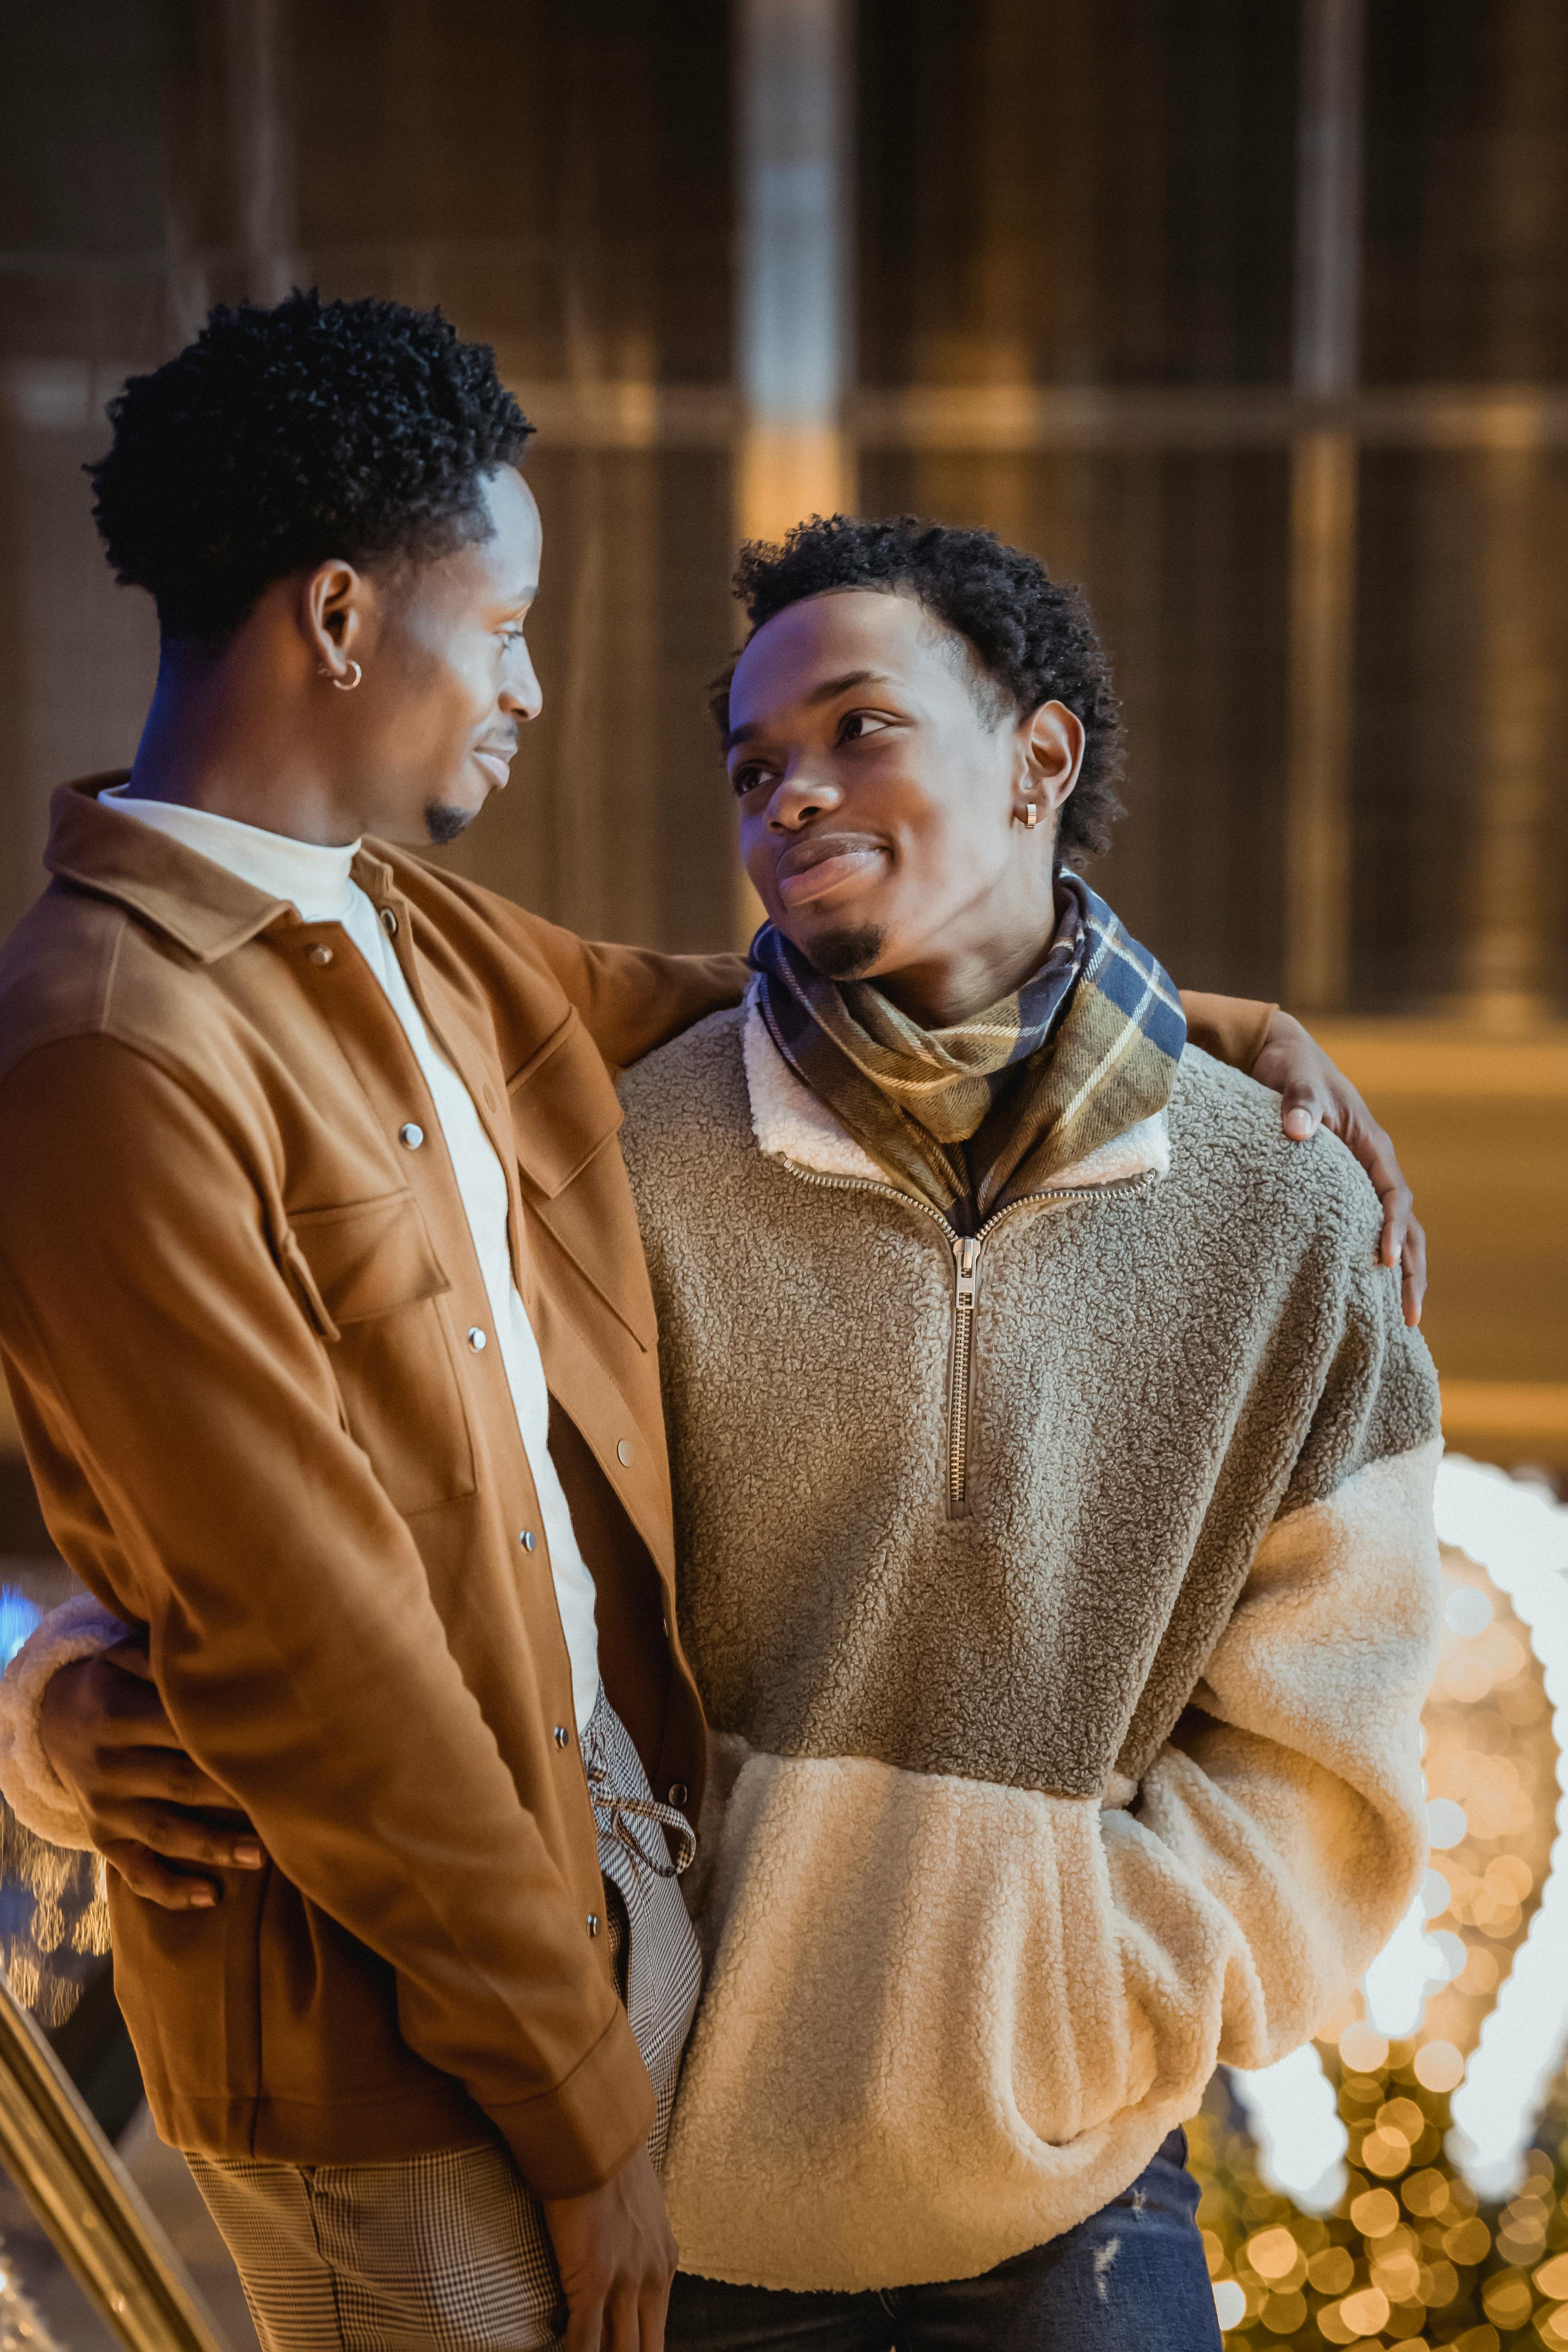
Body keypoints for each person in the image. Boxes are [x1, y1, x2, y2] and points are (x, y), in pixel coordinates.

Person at [0, 292, 1420, 2352]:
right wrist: (62, 1712)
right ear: (333, 620)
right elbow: (316, 1646)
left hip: (869, 2109)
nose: (532, 684)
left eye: (862, 729)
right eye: (500, 626)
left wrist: (1206, 1035)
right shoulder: (125, 1043)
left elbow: (740, 988)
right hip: (499, 2087)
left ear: (1042, 759)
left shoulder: (395, 933)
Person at [601, 518, 1436, 2348]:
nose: (793, 794)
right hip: (668, 2219)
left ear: (1040, 758)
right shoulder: (621, 1171)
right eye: (756, 766)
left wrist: (1100, 1991)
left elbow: (1346, 1733)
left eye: (859, 728)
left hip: (1079, 2211)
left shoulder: (1280, 1209)